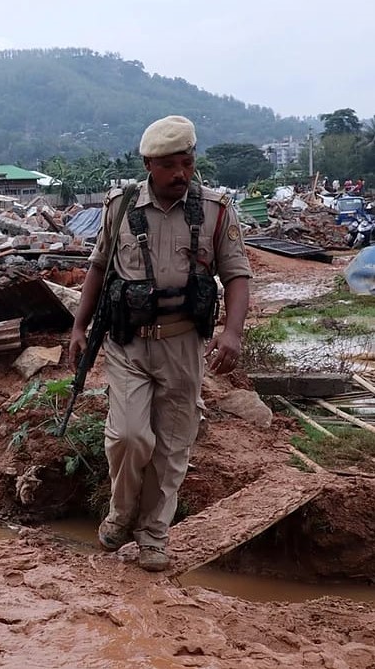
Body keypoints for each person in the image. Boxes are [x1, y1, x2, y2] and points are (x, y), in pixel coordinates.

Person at [68, 115, 251, 572]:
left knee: (171, 447)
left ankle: (154, 536)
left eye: (186, 163)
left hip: (183, 346)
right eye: (169, 165)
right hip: (128, 344)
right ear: (149, 164)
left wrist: (232, 331)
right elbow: (97, 268)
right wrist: (79, 326)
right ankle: (121, 511)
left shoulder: (215, 210)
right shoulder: (121, 206)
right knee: (129, 436)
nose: (180, 174)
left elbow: (237, 276)